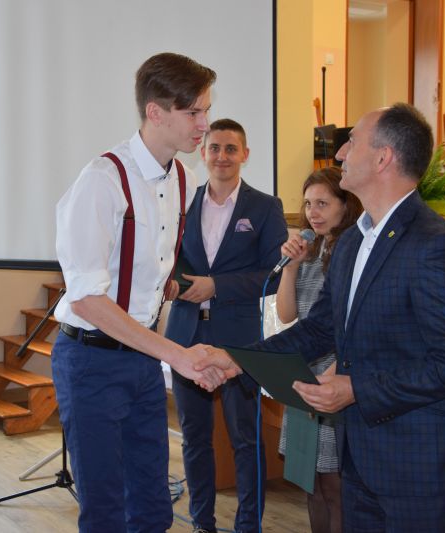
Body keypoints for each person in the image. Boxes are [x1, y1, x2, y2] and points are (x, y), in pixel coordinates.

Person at [200, 103, 445, 532]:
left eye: (351, 142)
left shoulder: (434, 244)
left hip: (421, 465)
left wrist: (356, 389)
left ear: (383, 158)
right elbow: (320, 328)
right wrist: (237, 359)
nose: (339, 154)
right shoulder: (353, 241)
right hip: (361, 458)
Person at [52, 52, 235, 533]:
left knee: (153, 507)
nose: (204, 124)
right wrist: (178, 355)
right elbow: (86, 298)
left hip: (142, 360)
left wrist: (165, 285)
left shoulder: (184, 178)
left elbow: (148, 266)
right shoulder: (102, 180)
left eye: (206, 110)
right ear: (156, 112)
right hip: (90, 362)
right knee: (105, 511)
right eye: (193, 112)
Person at [165, 118, 288, 533]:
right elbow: (168, 260)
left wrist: (216, 286)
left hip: (239, 342)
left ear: (245, 155)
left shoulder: (265, 207)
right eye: (214, 147)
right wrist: (175, 285)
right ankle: (202, 523)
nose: (222, 156)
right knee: (195, 439)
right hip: (186, 337)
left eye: (231, 149)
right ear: (203, 153)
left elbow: (274, 275)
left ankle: (248, 526)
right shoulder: (182, 202)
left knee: (245, 439)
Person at [274, 166, 361, 533]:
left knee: (335, 485)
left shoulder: (352, 250)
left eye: (323, 203)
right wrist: (290, 269)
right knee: (310, 481)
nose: (313, 212)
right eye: (308, 203)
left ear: (345, 205)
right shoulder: (309, 251)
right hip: (304, 374)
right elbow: (286, 315)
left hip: (334, 376)